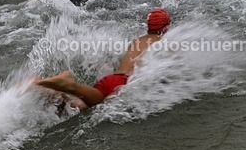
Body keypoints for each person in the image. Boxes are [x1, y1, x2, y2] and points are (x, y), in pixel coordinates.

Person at [35, 9, 170, 111]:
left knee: (81, 106)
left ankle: (51, 91)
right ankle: (69, 85)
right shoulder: (164, 42)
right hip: (123, 82)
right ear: (166, 27)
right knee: (89, 104)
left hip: (111, 79)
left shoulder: (137, 40)